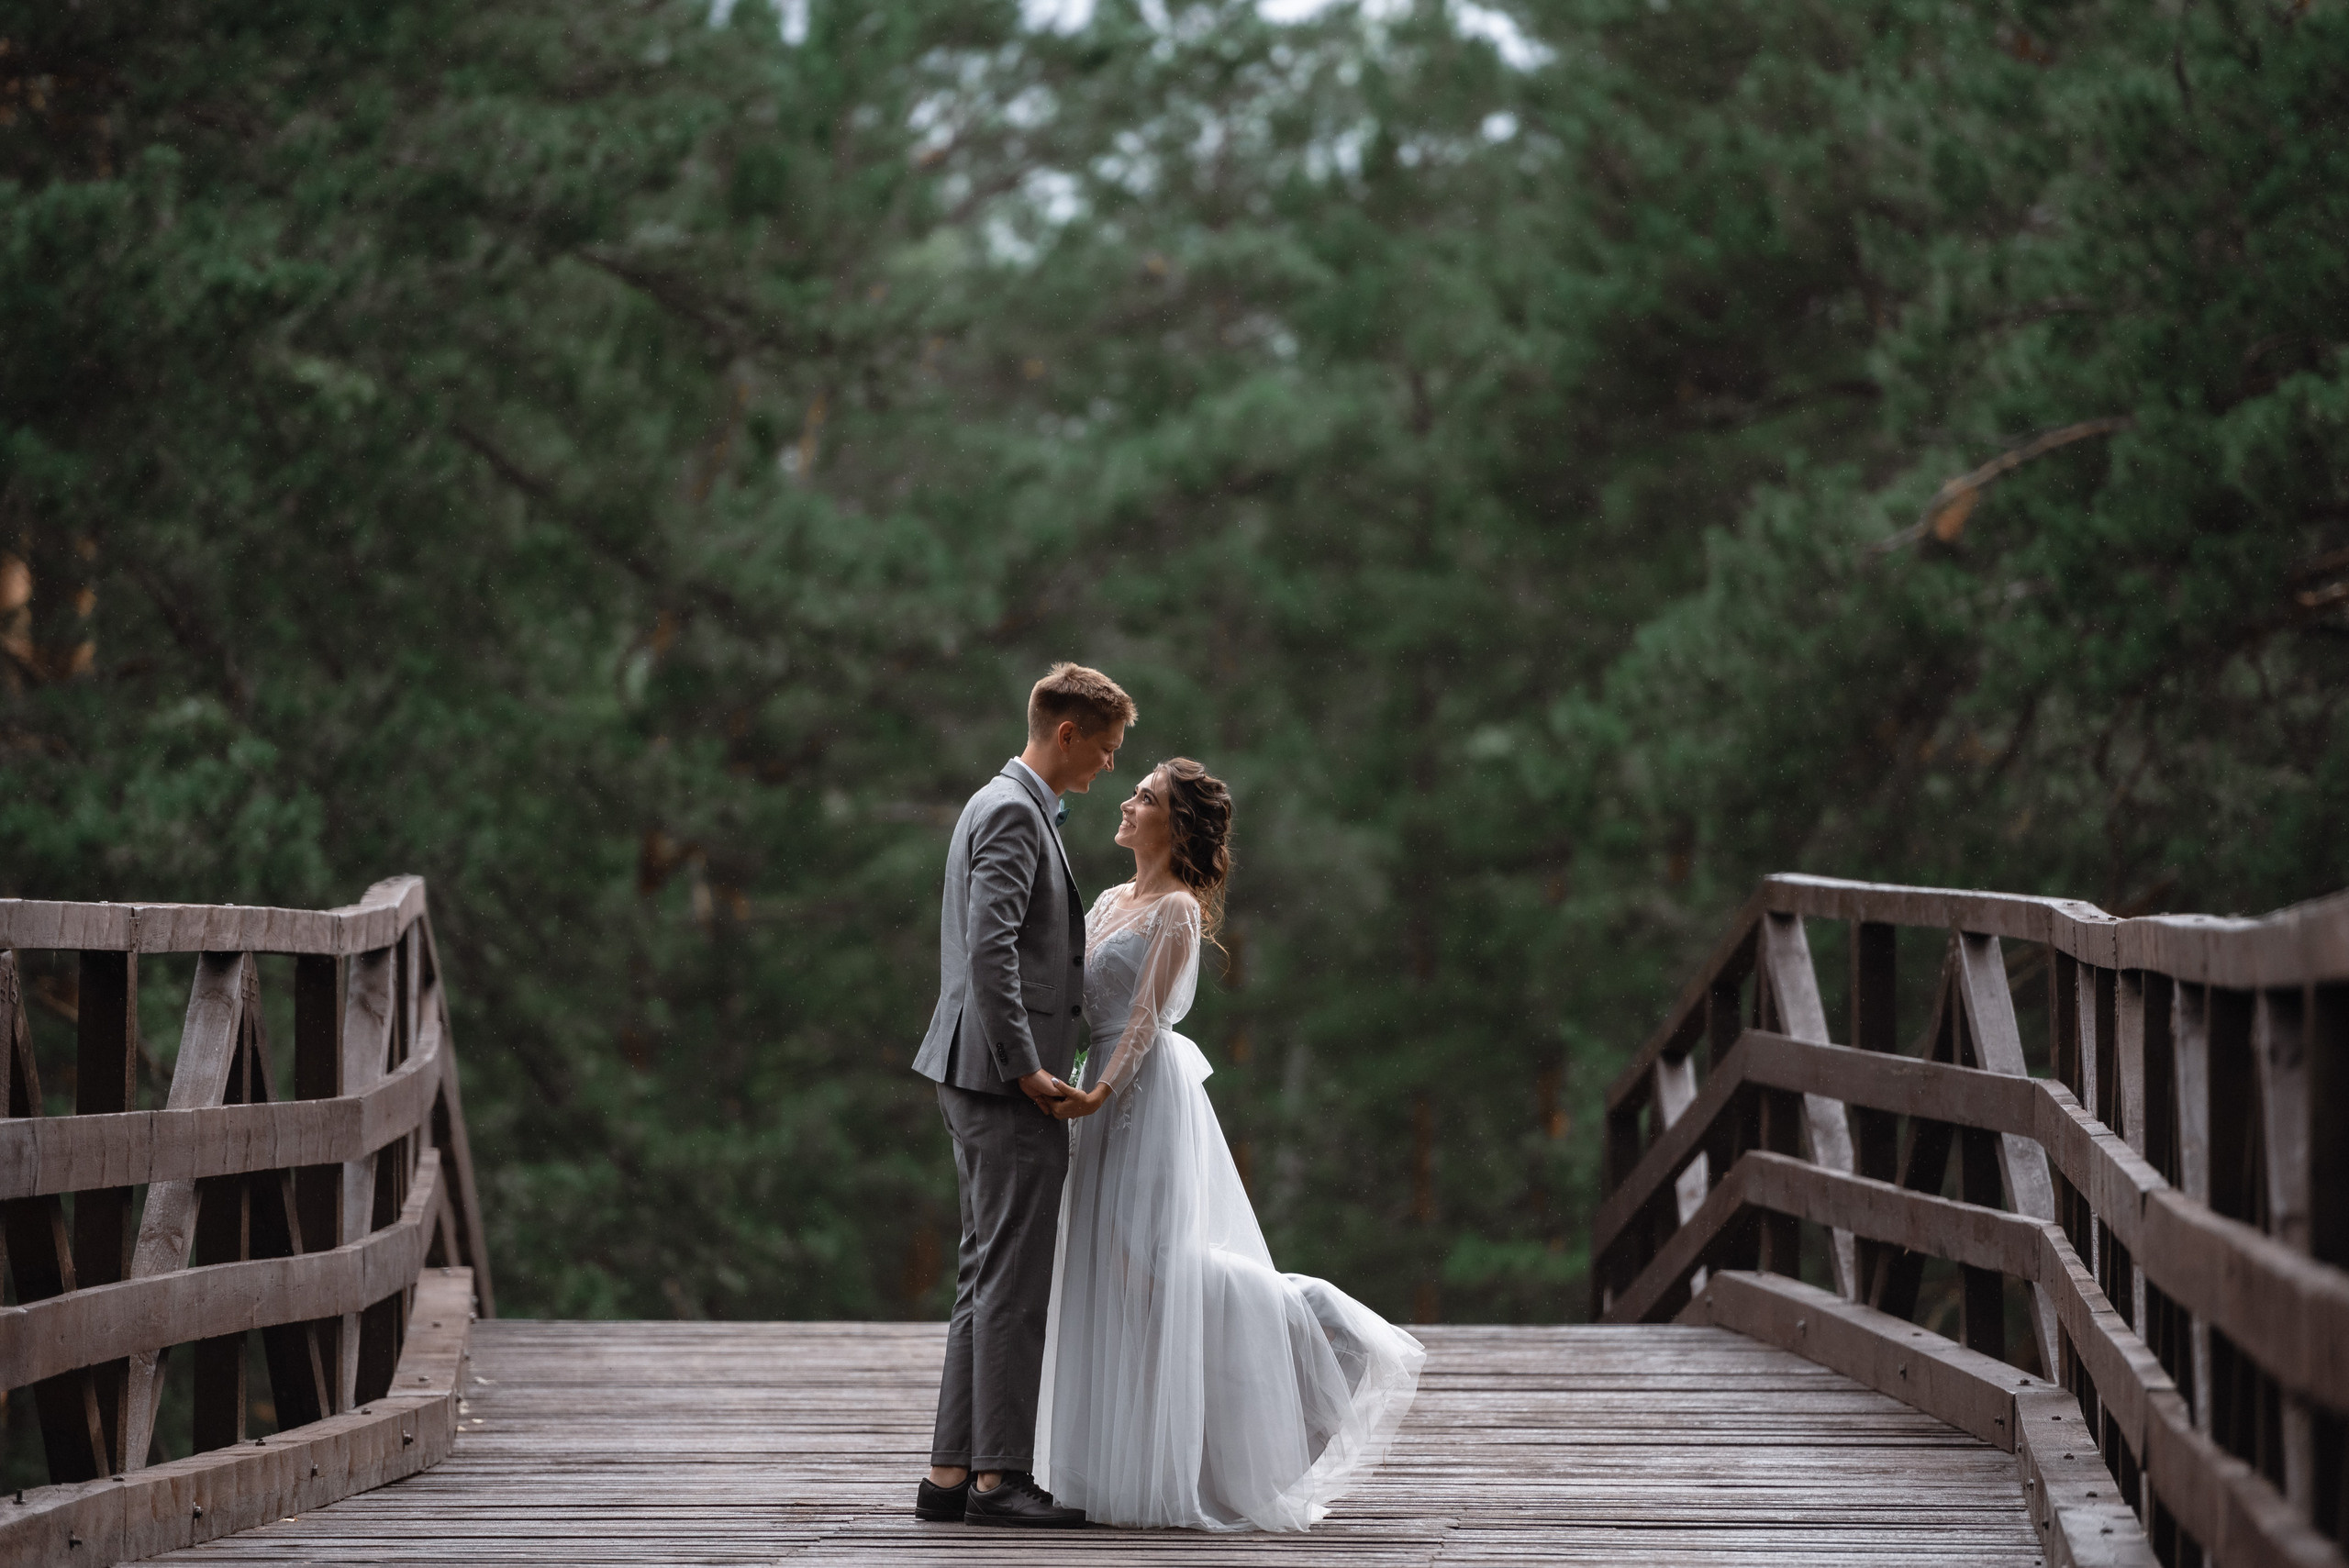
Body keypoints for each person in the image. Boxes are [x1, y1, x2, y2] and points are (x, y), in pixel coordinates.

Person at [1039, 758, 1425, 1530]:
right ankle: (1113, 1464)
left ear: (1175, 824)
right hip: (1091, 1093)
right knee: (1105, 1268)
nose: (1128, 801)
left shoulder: (1178, 910)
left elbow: (1143, 1021)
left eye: (1145, 797)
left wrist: (1099, 1094)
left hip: (1139, 1097)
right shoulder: (1111, 899)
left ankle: (1317, 1332)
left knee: (1153, 1266)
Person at [908, 662, 1135, 1529]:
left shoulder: (1001, 802)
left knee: (986, 1273)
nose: (1109, 765)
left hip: (977, 1073)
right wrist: (1025, 1066)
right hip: (1004, 1082)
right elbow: (990, 950)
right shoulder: (1012, 811)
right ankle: (999, 1479)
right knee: (1013, 1282)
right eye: (1106, 748)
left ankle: (950, 1473)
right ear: (1067, 733)